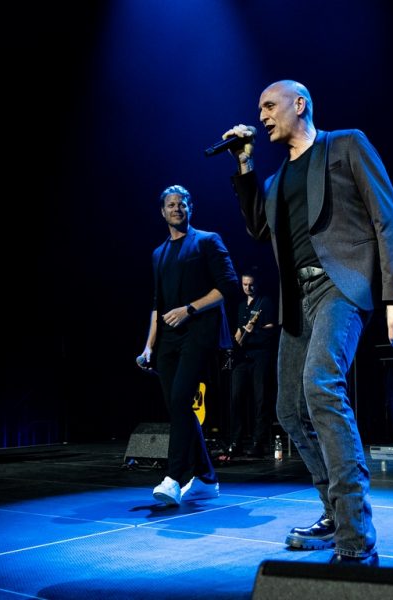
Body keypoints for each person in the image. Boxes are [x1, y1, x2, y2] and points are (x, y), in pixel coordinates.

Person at [220, 80, 393, 566]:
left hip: (341, 286)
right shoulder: (278, 178)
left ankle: (355, 534)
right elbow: (257, 229)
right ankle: (333, 512)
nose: (262, 115)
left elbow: (386, 217)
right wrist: (243, 163)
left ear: (298, 104)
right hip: (297, 299)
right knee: (289, 408)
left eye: (269, 106)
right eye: (258, 109)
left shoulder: (346, 143)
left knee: (321, 386)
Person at [137, 184, 239, 506]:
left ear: (190, 208)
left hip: (198, 332)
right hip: (167, 338)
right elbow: (156, 303)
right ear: (162, 212)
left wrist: (189, 309)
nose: (176, 209)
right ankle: (206, 478)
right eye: (170, 205)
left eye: (182, 204)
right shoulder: (158, 254)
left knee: (182, 397)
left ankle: (174, 477)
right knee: (177, 406)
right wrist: (148, 346)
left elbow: (229, 287)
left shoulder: (208, 241)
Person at [228, 271, 278, 458]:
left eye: (251, 284)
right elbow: (238, 331)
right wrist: (239, 334)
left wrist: (253, 330)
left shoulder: (265, 302)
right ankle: (236, 441)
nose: (248, 288)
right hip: (243, 357)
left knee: (260, 399)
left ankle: (259, 442)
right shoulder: (241, 305)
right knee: (236, 398)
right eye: (244, 284)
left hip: (261, 356)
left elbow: (271, 328)